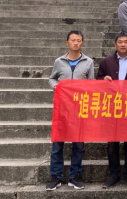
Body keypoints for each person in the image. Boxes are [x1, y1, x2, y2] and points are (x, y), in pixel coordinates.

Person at [96, 33, 127, 189]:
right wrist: (103, 80)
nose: (123, 44)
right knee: (112, 142)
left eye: (126, 42)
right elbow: (98, 80)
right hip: (112, 107)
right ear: (115, 44)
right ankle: (114, 175)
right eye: (120, 42)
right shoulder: (106, 62)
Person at [46, 31, 94, 191]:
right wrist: (55, 86)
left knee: (79, 144)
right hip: (62, 108)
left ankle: (75, 176)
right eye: (73, 40)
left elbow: (91, 83)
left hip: (79, 109)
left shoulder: (88, 62)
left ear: (82, 43)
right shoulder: (59, 62)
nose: (76, 43)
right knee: (57, 144)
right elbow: (52, 78)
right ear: (67, 42)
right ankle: (55, 177)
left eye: (79, 40)